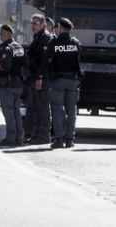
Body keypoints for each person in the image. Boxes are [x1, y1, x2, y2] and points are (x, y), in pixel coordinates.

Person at [42, 17, 81, 149]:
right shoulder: (76, 43)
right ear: (70, 30)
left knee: (57, 109)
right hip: (73, 80)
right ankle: (70, 139)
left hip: (58, 80)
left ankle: (58, 139)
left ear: (60, 28)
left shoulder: (54, 42)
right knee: (71, 110)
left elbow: (47, 59)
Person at [0, 23, 25, 146]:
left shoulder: (6, 49)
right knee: (16, 111)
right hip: (18, 83)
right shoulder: (19, 47)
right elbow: (27, 63)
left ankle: (10, 137)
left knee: (8, 111)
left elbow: (6, 66)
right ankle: (19, 137)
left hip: (8, 84)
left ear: (5, 35)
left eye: (0, 33)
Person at [23, 14, 53, 145]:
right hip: (34, 77)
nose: (33, 26)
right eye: (31, 23)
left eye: (35, 23)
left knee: (42, 108)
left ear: (42, 24)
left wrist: (40, 77)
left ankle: (43, 136)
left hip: (42, 78)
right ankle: (36, 134)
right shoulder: (38, 38)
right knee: (34, 108)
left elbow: (45, 61)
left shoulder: (45, 39)